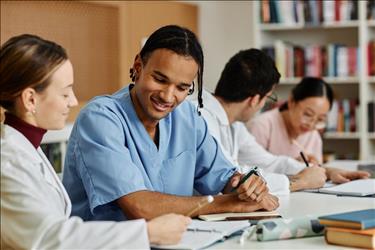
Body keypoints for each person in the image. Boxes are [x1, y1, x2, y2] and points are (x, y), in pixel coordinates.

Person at [63, 25, 279, 222]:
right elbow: (139, 207)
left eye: (182, 88)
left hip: (179, 241)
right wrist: (226, 203)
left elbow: (223, 177)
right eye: (159, 79)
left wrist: (246, 187)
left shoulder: (187, 117)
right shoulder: (100, 118)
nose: (168, 96)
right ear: (138, 66)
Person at [0, 34, 191, 249]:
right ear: (30, 99)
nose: (73, 101)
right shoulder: (7, 162)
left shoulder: (27, 149)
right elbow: (49, 238)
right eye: (65, 94)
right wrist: (147, 232)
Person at [194, 49, 328, 193]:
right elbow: (233, 179)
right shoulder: (199, 116)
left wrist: (315, 171)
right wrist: (301, 181)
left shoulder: (235, 124)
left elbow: (267, 162)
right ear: (255, 99)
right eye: (268, 97)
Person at [248, 77, 370, 183]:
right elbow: (250, 172)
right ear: (291, 101)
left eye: (320, 119)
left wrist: (318, 170)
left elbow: (315, 174)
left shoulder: (313, 134)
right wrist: (295, 167)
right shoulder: (262, 125)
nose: (311, 124)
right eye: (307, 114)